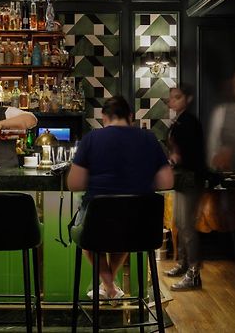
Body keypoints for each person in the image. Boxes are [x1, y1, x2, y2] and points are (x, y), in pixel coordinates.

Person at [67, 95, 174, 301]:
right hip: (139, 228)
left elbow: (74, 184)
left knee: (88, 234)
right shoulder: (149, 138)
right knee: (124, 228)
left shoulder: (92, 138)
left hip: (97, 226)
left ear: (104, 117)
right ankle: (109, 285)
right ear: (131, 117)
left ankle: (108, 285)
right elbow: (166, 182)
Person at [164, 85, 206, 291]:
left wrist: (175, 158)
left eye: (177, 97)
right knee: (181, 223)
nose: (172, 101)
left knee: (187, 225)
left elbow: (189, 153)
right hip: (183, 178)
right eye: (171, 97)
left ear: (188, 99)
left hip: (191, 178)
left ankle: (194, 274)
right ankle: (183, 264)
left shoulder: (189, 122)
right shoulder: (180, 120)